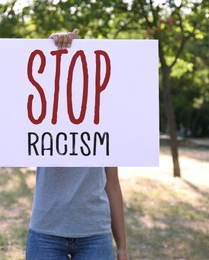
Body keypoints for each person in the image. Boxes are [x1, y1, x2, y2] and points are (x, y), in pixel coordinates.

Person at [26, 30, 129, 260]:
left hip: (95, 234)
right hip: (46, 231)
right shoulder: (44, 117)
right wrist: (53, 43)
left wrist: (122, 246)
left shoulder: (104, 120)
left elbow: (112, 184)